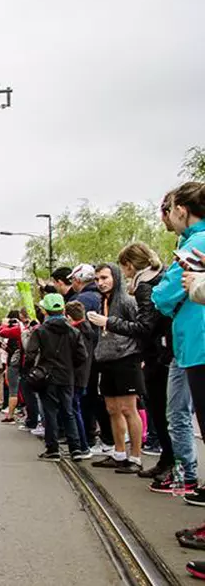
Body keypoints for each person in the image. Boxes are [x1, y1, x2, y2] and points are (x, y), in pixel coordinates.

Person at [153, 182, 205, 511]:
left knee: (185, 416)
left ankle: (188, 477)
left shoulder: (195, 244)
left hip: (198, 343)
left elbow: (163, 295)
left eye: (170, 210)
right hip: (193, 343)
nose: (169, 217)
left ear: (181, 210)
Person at [112, 243, 179, 486]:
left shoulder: (143, 286)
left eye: (124, 268)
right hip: (167, 350)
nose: (125, 273)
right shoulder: (160, 277)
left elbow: (144, 326)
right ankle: (167, 459)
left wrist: (109, 322)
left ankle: (172, 464)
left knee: (161, 412)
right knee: (165, 412)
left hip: (156, 356)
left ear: (129, 265)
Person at [86, 263, 145, 473]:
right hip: (106, 360)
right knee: (112, 409)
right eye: (97, 279)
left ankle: (136, 457)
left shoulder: (128, 301)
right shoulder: (103, 301)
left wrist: (108, 322)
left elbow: (140, 328)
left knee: (129, 409)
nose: (100, 283)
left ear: (116, 278)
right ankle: (119, 453)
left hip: (126, 359)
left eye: (104, 278)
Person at [28, 293, 91, 461]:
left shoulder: (40, 331)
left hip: (46, 376)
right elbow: (82, 356)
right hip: (67, 376)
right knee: (68, 412)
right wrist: (70, 367)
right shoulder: (73, 331)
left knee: (50, 413)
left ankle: (53, 449)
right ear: (63, 309)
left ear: (45, 311)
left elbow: (30, 354)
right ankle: (76, 449)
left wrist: (32, 370)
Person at [66, 301, 97, 454]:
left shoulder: (76, 332)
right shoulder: (88, 330)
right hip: (84, 375)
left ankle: (82, 445)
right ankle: (82, 443)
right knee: (78, 408)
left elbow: (79, 356)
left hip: (76, 376)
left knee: (73, 409)